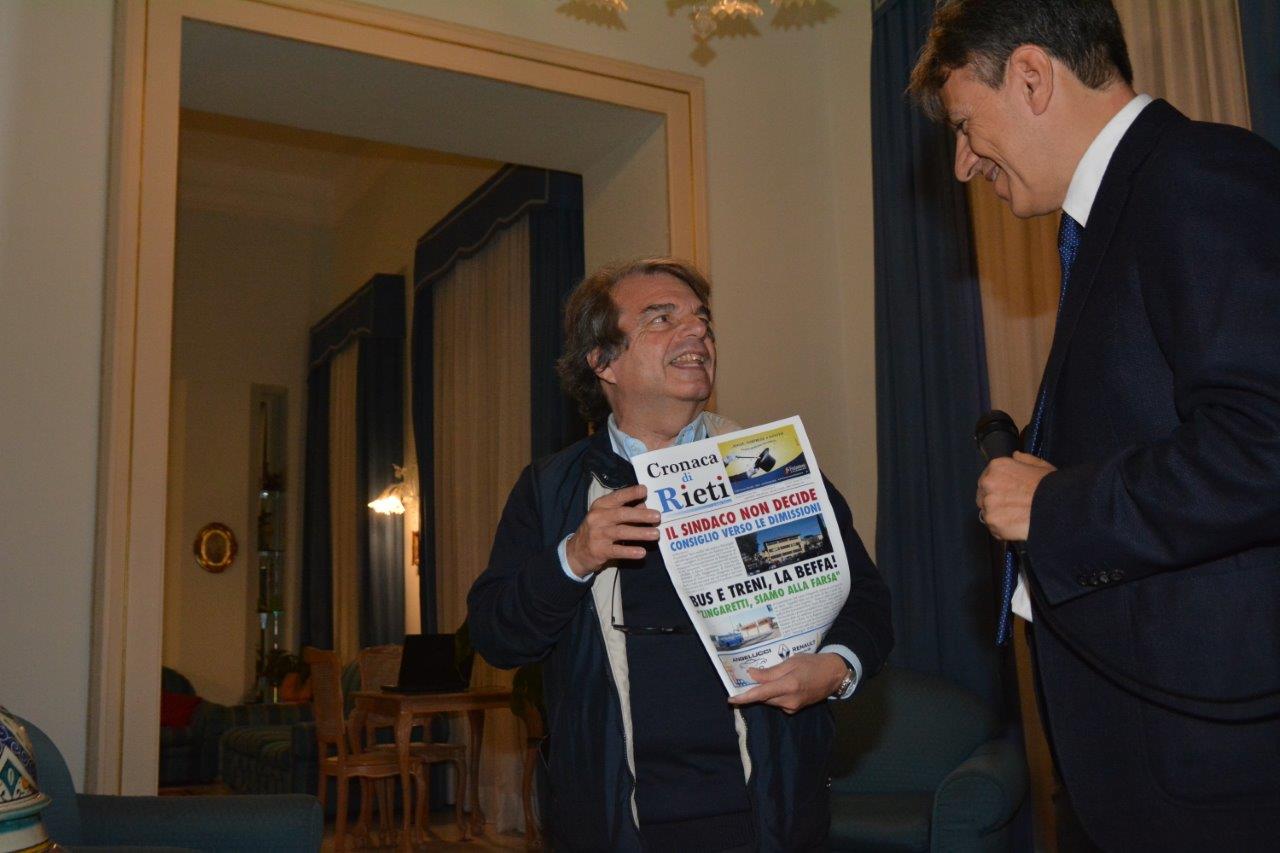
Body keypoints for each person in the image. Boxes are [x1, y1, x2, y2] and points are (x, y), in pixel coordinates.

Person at [909, 1, 1280, 849]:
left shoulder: (1196, 175)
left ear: (1032, 76)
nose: (962, 165)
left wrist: (1058, 506)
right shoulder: (1122, 209)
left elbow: (1266, 437)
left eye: (965, 126)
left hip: (1220, 776)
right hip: (1154, 765)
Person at [467, 258, 893, 852]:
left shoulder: (768, 466)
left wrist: (837, 668)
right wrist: (573, 558)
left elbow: (865, 599)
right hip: (615, 825)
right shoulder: (550, 489)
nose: (697, 332)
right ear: (603, 360)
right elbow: (496, 636)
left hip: (767, 817)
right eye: (662, 319)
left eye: (702, 320)